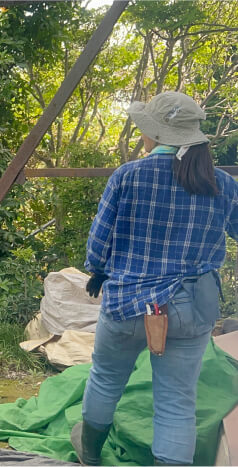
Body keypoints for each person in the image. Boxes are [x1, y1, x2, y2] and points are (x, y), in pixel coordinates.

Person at [70, 91, 238, 466]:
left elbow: (99, 242)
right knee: (177, 401)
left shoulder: (128, 176)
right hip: (192, 307)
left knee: (106, 379)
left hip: (127, 302)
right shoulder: (221, 184)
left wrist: (98, 270)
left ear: (158, 135)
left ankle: (91, 455)